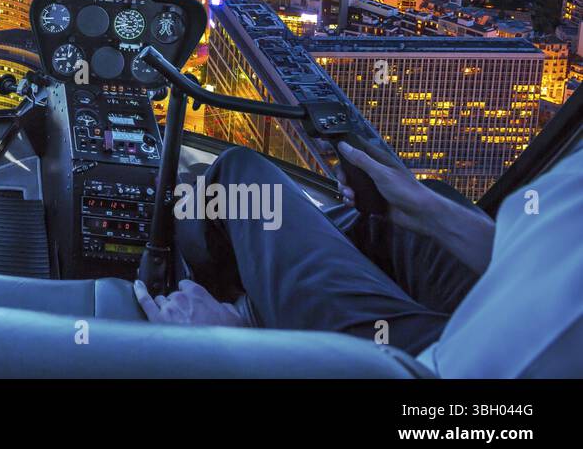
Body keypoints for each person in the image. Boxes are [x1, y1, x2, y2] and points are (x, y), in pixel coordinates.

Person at [133, 138, 583, 377]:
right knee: (399, 216)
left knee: (245, 181)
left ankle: (243, 310)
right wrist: (428, 211)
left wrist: (233, 354)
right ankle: (275, 301)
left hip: (435, 369)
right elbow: (546, 257)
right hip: (507, 309)